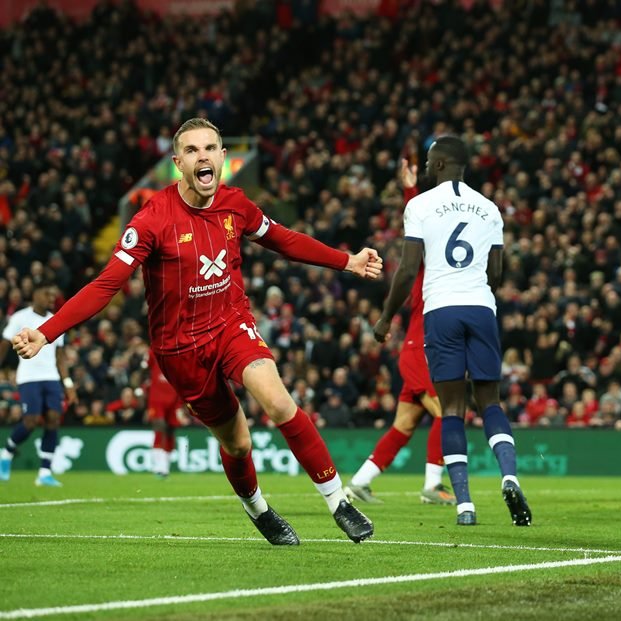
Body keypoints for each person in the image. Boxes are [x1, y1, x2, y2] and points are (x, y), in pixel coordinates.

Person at [11, 118, 382, 545]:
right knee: (238, 443)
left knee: (279, 403)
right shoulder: (152, 219)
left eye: (211, 148)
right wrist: (47, 330)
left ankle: (338, 502)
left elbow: (283, 238)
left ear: (224, 157)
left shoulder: (236, 204)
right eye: (192, 150)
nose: (203, 156)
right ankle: (259, 510)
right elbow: (106, 285)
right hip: (179, 349)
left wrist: (346, 260)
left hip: (229, 322)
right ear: (177, 163)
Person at [373, 136, 532, 527]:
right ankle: (509, 477)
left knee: (453, 410)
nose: (426, 167)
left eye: (429, 162)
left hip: (441, 310)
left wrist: (386, 317)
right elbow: (496, 274)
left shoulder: (420, 205)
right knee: (490, 402)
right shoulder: (490, 208)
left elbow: (408, 269)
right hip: (480, 307)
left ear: (441, 164)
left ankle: (464, 505)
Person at [345, 158, 454, 506]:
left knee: (403, 426)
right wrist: (410, 188)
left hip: (418, 349)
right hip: (420, 349)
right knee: (448, 411)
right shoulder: (426, 266)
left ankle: (360, 483)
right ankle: (433, 486)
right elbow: (418, 224)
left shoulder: (443, 272)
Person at [0, 283, 77, 486]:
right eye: (47, 294)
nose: (51, 298)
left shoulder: (56, 320)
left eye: (53, 295)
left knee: (53, 419)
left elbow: (60, 356)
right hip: (28, 377)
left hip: (51, 377)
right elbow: (5, 344)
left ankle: (44, 473)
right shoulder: (19, 318)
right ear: (35, 295)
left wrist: (68, 383)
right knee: (31, 421)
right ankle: (7, 451)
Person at [144, 350, 182, 479]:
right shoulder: (153, 350)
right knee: (159, 426)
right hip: (157, 397)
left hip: (174, 396)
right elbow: (144, 369)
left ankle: (165, 466)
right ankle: (158, 465)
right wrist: (142, 388)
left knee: (171, 430)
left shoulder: (179, 350)